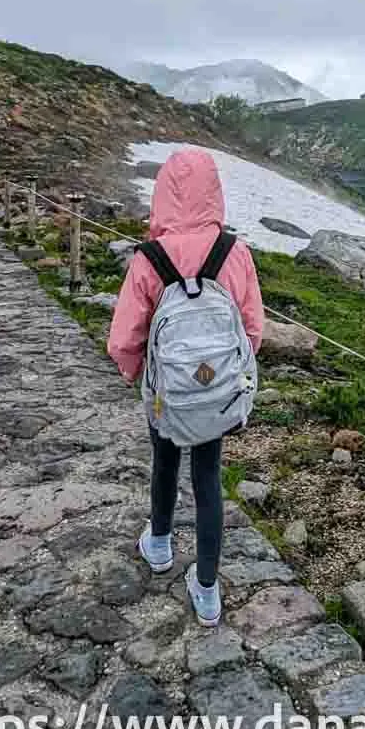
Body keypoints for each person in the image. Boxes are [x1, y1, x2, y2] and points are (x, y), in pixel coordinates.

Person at [108, 149, 263, 625]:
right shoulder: (233, 252)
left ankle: (158, 545)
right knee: (209, 477)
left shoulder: (148, 257)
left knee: (165, 461)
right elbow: (252, 328)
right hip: (215, 391)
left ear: (163, 194)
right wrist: (228, 380)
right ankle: (208, 588)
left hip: (165, 391)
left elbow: (124, 338)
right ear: (214, 191)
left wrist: (138, 374)